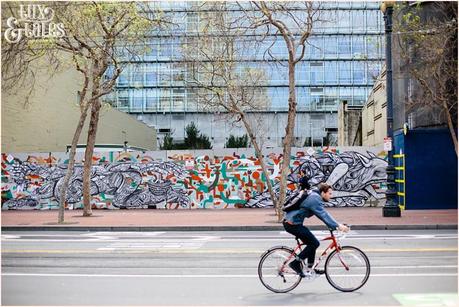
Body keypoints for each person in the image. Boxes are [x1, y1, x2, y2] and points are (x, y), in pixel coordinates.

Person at [283, 182, 349, 277]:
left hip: (293, 223)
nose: (331, 196)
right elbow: (323, 214)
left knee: (312, 243)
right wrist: (338, 226)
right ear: (323, 193)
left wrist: (334, 225)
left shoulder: (314, 195)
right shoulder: (314, 198)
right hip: (292, 224)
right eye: (329, 194)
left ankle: (310, 269)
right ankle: (295, 263)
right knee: (314, 243)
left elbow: (321, 214)